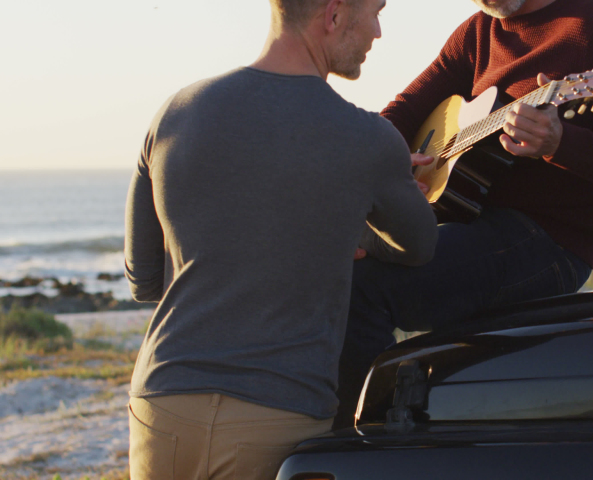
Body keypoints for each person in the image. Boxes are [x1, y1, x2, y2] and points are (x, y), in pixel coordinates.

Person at [123, 0, 437, 478]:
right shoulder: (367, 138)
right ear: (333, 16)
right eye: (375, 11)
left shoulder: (175, 113)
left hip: (163, 406)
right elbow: (418, 248)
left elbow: (144, 280)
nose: (378, 31)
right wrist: (353, 231)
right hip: (276, 417)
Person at [335, 0, 593, 426]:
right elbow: (402, 112)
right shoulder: (477, 33)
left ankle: (366, 444)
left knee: (360, 287)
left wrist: (560, 142)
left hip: (549, 244)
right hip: (466, 223)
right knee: (338, 261)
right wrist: (389, 165)